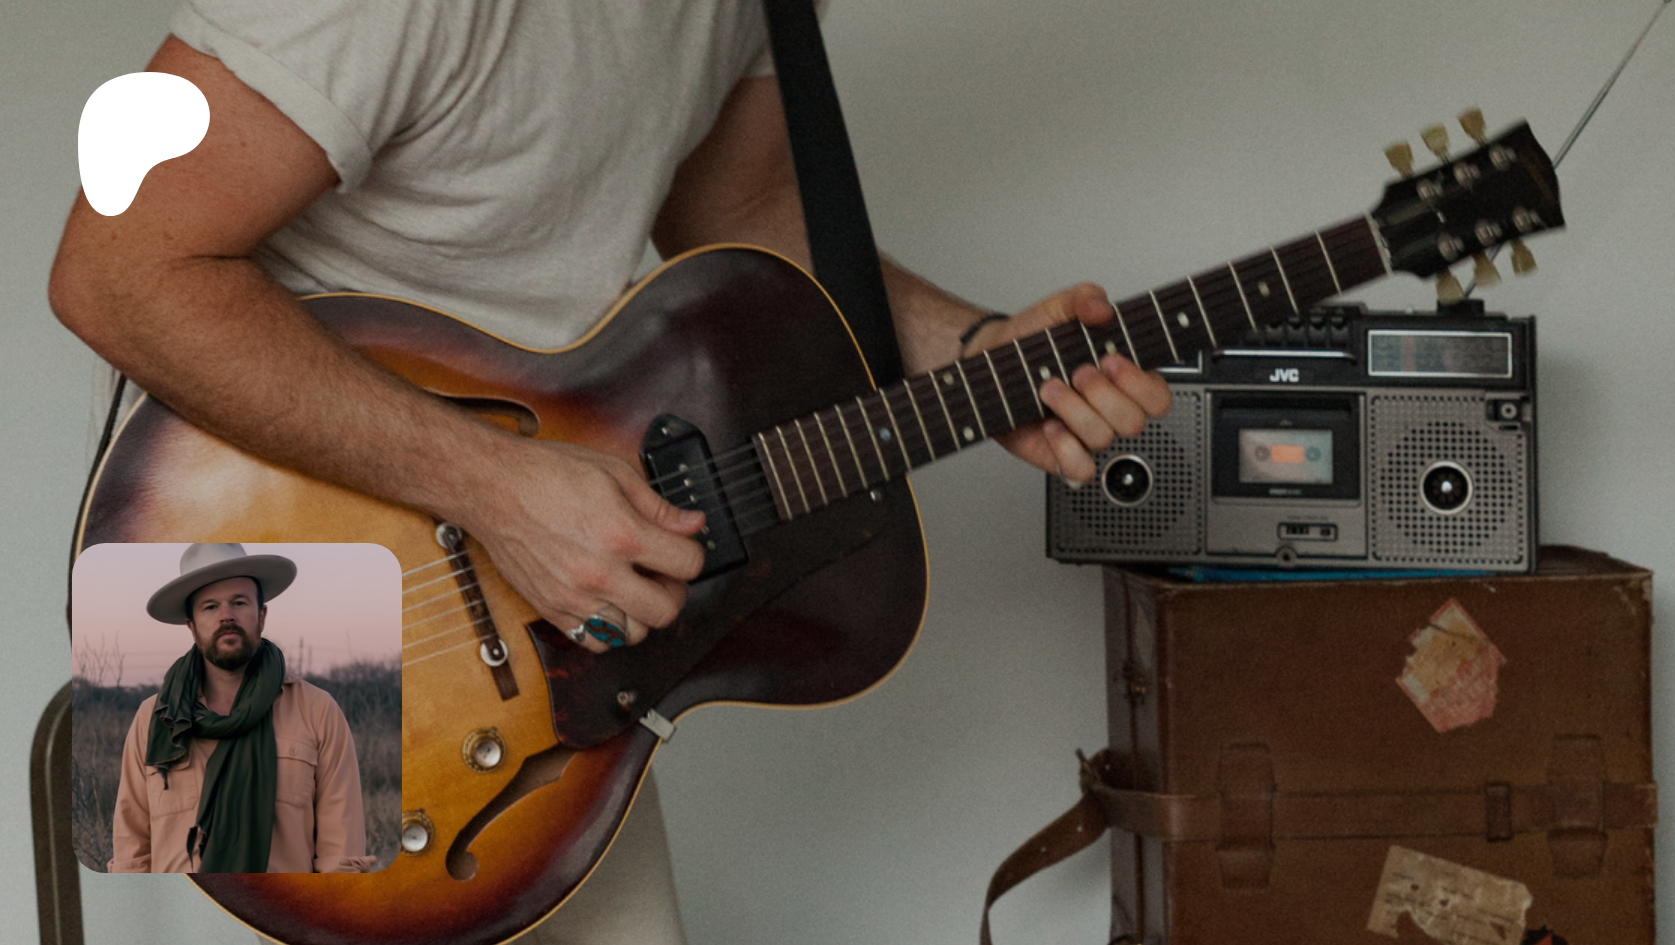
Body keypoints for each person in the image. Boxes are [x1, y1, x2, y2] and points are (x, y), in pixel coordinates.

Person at [52, 0, 1170, 937]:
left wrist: (971, 352)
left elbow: (736, 205)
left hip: (531, 645)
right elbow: (116, 273)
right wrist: (495, 488)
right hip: (279, 581)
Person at [111, 542, 374, 874]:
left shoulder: (317, 711)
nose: (227, 616)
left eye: (239, 602)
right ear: (192, 626)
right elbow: (132, 855)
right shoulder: (154, 718)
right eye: (210, 607)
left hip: (280, 907)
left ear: (261, 615)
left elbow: (341, 857)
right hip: (183, 905)